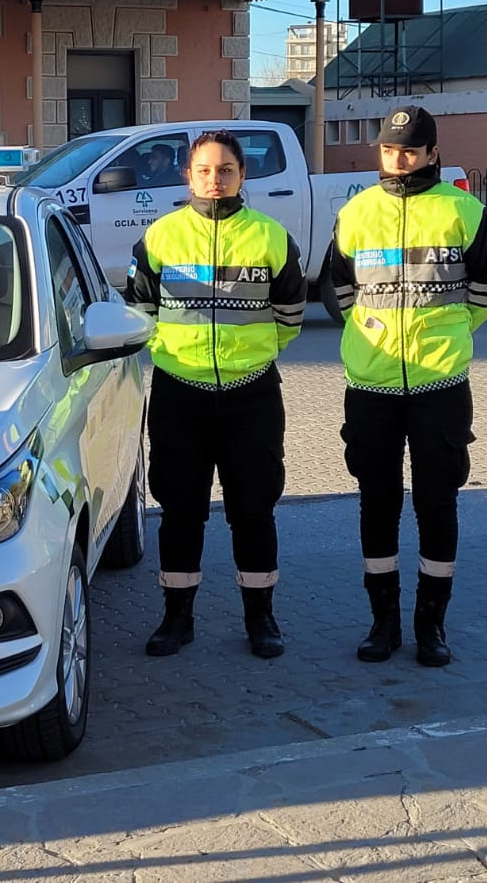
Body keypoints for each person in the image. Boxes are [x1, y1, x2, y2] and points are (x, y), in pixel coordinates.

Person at [125, 130, 306, 659]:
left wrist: (251, 354)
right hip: (180, 393)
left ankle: (261, 619)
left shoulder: (271, 237)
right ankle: (176, 619)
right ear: (188, 175)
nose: (214, 178)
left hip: (252, 395)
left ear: (241, 175)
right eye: (204, 169)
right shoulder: (160, 238)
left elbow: (291, 315)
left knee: (254, 509)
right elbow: (140, 312)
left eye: (225, 169)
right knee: (181, 510)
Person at [331, 105, 487, 668]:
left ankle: (431, 626)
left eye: (411, 150)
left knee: (436, 503)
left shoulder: (464, 211)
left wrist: (445, 333)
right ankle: (384, 623)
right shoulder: (355, 213)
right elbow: (342, 290)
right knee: (376, 502)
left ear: (432, 153)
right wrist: (372, 334)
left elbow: (482, 292)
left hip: (438, 384)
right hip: (370, 385)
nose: (399, 159)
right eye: (390, 149)